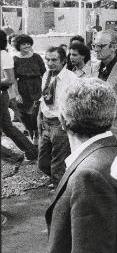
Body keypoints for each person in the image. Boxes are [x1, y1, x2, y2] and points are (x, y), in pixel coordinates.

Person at [25, 78, 117, 253]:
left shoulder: (88, 176)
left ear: (63, 120)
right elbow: (96, 240)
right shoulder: (116, 157)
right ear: (110, 118)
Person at [37, 47, 78, 186]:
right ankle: (64, 181)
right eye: (47, 59)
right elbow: (43, 98)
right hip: (46, 122)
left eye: (54, 60)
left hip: (60, 124)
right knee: (42, 163)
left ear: (63, 61)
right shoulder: (46, 75)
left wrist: (69, 123)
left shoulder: (71, 78)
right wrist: (39, 117)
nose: (50, 63)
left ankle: (59, 191)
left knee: (58, 164)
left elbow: (76, 102)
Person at [0, 30, 38, 163]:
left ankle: (13, 156)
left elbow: (10, 79)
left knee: (9, 126)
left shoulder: (3, 55)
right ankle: (32, 152)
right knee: (8, 127)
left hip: (2, 94)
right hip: (4, 95)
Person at [13, 34, 46, 145]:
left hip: (37, 86)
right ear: (18, 46)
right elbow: (13, 79)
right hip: (23, 88)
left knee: (36, 114)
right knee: (25, 115)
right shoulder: (15, 59)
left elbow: (45, 73)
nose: (27, 46)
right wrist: (17, 94)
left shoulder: (36, 57)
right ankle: (32, 136)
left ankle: (37, 136)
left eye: (28, 43)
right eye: (23, 44)